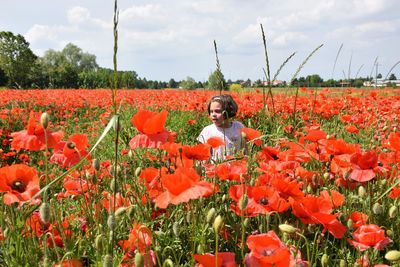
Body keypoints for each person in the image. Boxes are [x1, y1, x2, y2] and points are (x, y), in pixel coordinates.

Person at [197, 94, 245, 162]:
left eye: (217, 111)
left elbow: (244, 148)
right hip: (215, 169)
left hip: (236, 168)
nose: (213, 114)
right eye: (211, 111)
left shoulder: (238, 127)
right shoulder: (207, 131)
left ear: (228, 111)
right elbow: (203, 157)